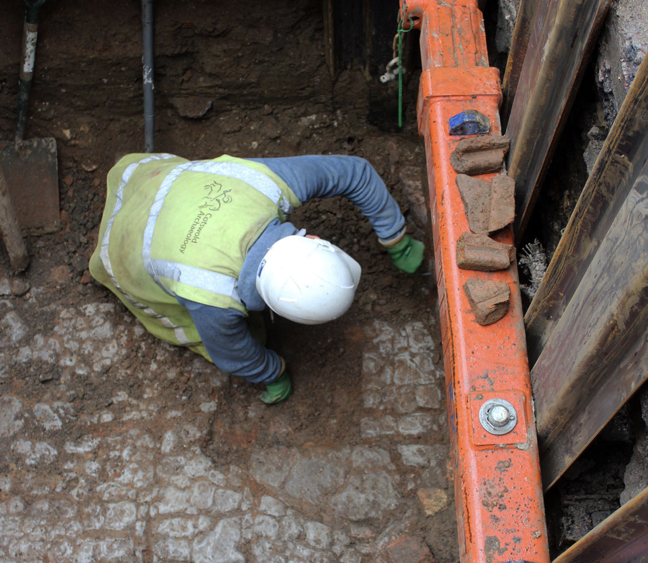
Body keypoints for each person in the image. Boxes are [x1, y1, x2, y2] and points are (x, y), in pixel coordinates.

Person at [89, 152, 424, 403]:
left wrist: (395, 237)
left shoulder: (264, 183)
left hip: (143, 173)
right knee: (206, 330)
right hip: (120, 252)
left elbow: (355, 172)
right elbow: (231, 355)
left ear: (311, 239)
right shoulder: (212, 297)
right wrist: (272, 373)